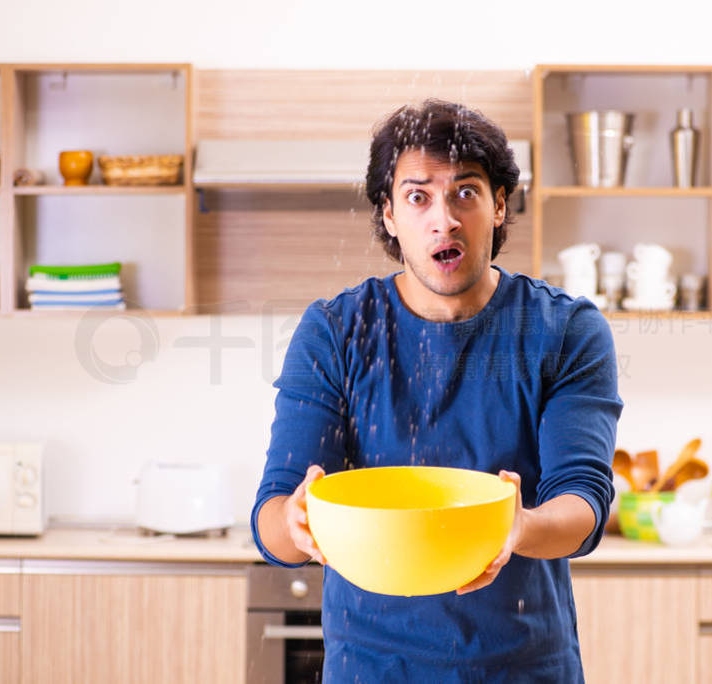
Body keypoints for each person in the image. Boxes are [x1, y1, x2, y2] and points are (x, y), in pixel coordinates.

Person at [251, 98, 623, 682]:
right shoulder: (336, 331)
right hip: (371, 669)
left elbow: (582, 501)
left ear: (500, 205)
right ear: (390, 215)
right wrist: (297, 524)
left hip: (524, 668)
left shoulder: (565, 330)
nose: (443, 219)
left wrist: (519, 526)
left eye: (466, 193)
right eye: (418, 196)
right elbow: (274, 510)